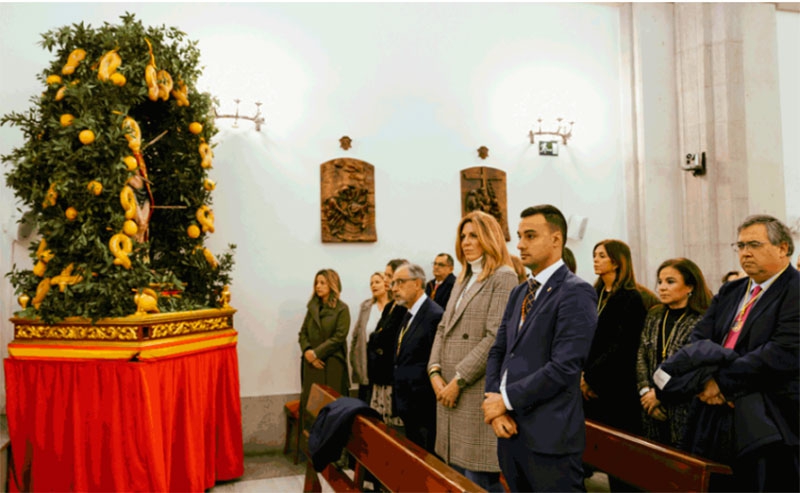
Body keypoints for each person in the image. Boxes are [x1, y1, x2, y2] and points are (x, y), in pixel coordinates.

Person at [483, 205, 597, 492]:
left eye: (530, 235)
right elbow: (499, 351)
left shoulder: (575, 291)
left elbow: (564, 367)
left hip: (550, 438)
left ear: (556, 240)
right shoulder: (520, 291)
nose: (520, 244)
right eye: (520, 236)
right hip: (510, 431)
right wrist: (496, 407)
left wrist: (505, 400)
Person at [686, 215, 798, 492]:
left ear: (782, 248)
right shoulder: (732, 290)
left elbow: (782, 351)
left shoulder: (795, 290)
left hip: (770, 415)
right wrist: (705, 380)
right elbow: (699, 337)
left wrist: (721, 383)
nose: (745, 253)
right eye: (740, 245)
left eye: (754, 245)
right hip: (714, 409)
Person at [427, 211, 518, 491]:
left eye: (474, 235)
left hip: (473, 388)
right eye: (463, 236)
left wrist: (457, 380)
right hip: (448, 391)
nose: (466, 242)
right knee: (456, 477)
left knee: (477, 476)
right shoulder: (464, 277)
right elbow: (443, 327)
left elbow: (494, 338)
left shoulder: (504, 277)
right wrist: (434, 373)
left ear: (490, 238)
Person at [582, 239, 647, 491]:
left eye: (601, 255)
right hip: (588, 383)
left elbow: (623, 347)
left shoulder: (631, 298)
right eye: (594, 254)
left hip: (616, 388)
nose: (596, 259)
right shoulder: (593, 294)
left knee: (620, 461)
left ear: (617, 261)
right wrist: (581, 375)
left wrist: (591, 378)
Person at [636, 258, 712, 448]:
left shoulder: (701, 320)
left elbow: (692, 369)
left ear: (689, 286)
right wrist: (646, 392)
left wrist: (660, 397)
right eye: (660, 282)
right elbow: (642, 355)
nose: (662, 287)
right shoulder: (655, 314)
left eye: (670, 282)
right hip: (649, 404)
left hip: (683, 406)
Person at [391, 263, 443, 452]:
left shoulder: (434, 315)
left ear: (418, 283)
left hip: (423, 406)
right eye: (393, 283)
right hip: (408, 402)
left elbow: (435, 359)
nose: (395, 288)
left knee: (426, 456)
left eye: (400, 282)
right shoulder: (408, 313)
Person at [298, 269, 350, 427]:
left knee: (333, 409)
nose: (318, 286)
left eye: (322, 283)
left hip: (332, 363)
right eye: (316, 283)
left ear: (333, 285)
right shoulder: (312, 307)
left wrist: (316, 353)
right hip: (311, 365)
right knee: (312, 409)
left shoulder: (341, 309)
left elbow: (339, 337)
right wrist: (307, 352)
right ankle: (312, 445)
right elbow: (303, 333)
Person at [366, 259, 408, 427]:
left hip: (391, 376)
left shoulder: (404, 307)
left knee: (393, 427)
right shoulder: (391, 305)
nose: (385, 280)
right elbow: (375, 336)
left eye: (388, 275)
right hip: (379, 374)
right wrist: (378, 338)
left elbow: (387, 338)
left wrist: (378, 338)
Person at [350, 272, 390, 404]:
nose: (373, 285)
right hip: (367, 358)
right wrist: (354, 359)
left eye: (377, 282)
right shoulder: (367, 306)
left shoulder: (395, 307)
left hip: (386, 359)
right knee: (365, 399)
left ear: (386, 284)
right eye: (371, 283)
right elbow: (356, 335)